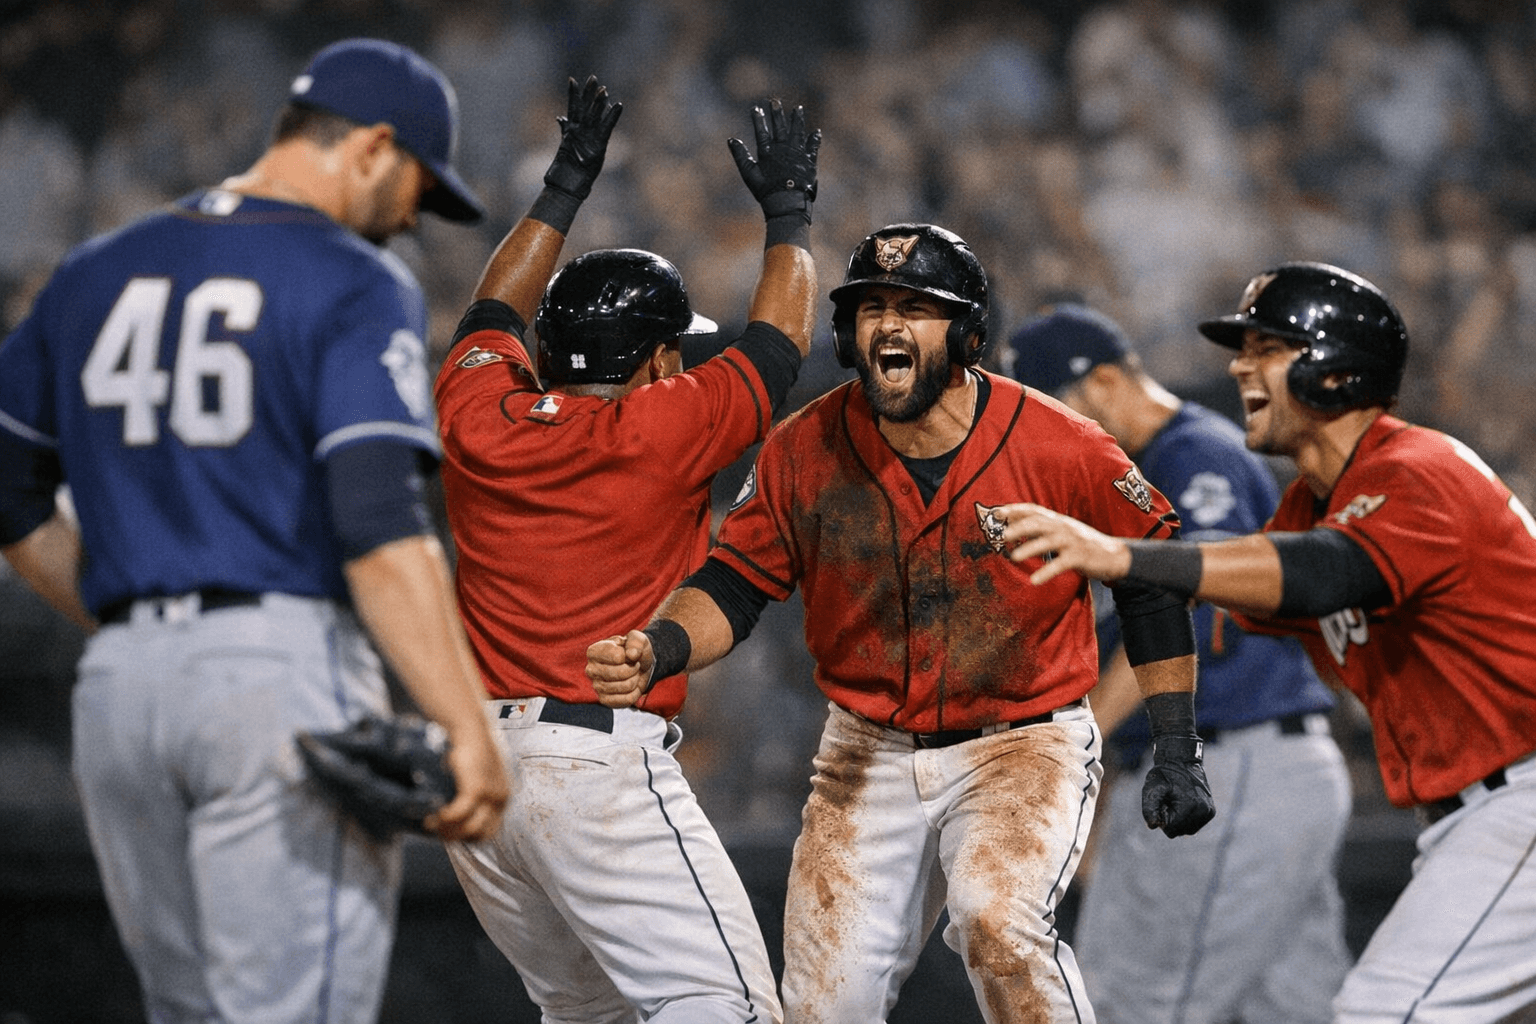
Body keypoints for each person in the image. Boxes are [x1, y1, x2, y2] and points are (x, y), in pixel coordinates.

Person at [588, 223, 1216, 1024]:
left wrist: (1174, 742)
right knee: (824, 1007)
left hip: (1021, 743)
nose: (889, 324)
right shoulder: (803, 446)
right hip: (867, 751)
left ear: (967, 334)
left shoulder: (1059, 442)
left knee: (997, 924)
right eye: (871, 307)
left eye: (917, 307)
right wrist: (663, 644)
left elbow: (1154, 578)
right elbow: (735, 583)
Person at [0, 37, 508, 1024]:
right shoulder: (352, 279)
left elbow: (9, 494)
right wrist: (468, 724)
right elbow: (378, 528)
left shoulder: (93, 271)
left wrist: (141, 629)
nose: (412, 217)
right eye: (415, 184)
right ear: (368, 147)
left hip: (120, 699)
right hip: (275, 680)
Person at [1001, 261, 1536, 1024]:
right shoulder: (1309, 503)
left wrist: (1123, 554)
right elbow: (1229, 594)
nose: (1239, 367)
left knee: (1385, 1012)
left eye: (1268, 349)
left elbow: (1324, 574)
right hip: (1473, 812)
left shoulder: (1419, 468)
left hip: (1518, 801)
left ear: (1334, 369)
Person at [432, 76, 821, 1024]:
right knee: (725, 1008)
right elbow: (781, 340)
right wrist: (789, 216)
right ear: (654, 364)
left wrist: (564, 185)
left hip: (480, 779)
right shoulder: (658, 427)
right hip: (592, 765)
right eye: (673, 352)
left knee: (588, 1018)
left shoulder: (475, 415)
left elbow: (490, 313)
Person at [1009, 302, 1353, 1024]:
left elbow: (1183, 599)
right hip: (1252, 773)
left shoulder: (1194, 453)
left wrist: (1074, 749)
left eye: (1051, 411)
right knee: (1300, 1009)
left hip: (1235, 768)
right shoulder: (1124, 483)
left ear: (1103, 382)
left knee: (1128, 1005)